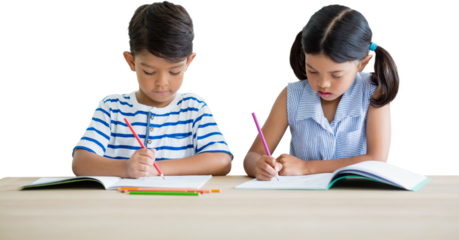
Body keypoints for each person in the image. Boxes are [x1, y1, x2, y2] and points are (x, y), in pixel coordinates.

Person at [71, 0, 234, 179]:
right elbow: (80, 163)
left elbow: (222, 161)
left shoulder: (194, 107)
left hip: (181, 206)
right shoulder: (111, 107)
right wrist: (126, 168)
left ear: (189, 62)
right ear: (130, 61)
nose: (161, 82)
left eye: (174, 71)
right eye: (149, 71)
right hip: (121, 206)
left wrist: (156, 168)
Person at [242, 2, 401, 181]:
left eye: (336, 75)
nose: (323, 84)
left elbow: (377, 160)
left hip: (356, 199)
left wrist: (306, 167)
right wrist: (259, 166)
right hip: (303, 200)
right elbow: (251, 156)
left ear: (363, 63)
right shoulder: (291, 95)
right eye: (313, 71)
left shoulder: (373, 92)